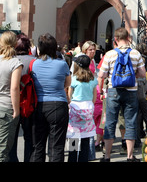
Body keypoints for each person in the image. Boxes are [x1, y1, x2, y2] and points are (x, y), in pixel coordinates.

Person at [98, 27, 146, 162]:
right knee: (130, 122)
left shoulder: (110, 54)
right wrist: (132, 76)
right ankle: (130, 156)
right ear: (128, 38)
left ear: (115, 39)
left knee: (110, 122)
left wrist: (104, 87)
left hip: (114, 90)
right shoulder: (135, 53)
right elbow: (142, 74)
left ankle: (107, 156)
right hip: (131, 91)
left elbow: (101, 74)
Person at [30, 33, 71, 162]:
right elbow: (67, 83)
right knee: (57, 147)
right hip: (58, 104)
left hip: (39, 105)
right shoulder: (62, 64)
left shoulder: (34, 64)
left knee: (38, 146)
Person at [67, 55, 98, 162]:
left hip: (75, 107)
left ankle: (72, 159)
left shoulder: (74, 78)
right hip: (88, 108)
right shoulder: (93, 79)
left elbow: (69, 95)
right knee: (85, 138)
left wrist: (70, 104)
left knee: (74, 138)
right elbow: (94, 97)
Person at [9, 34, 34, 162]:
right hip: (29, 103)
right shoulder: (34, 61)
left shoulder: (9, 60)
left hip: (12, 102)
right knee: (29, 137)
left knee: (12, 137)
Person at [0, 31, 23, 162]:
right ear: (15, 43)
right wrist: (16, 110)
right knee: (3, 149)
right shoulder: (15, 62)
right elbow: (14, 87)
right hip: (6, 107)